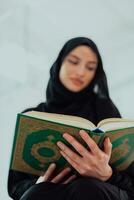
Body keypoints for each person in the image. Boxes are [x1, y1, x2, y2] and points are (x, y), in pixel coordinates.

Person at [8, 37, 134, 200]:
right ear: (60, 63)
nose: (81, 72)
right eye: (74, 62)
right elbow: (15, 186)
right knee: (35, 194)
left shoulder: (104, 109)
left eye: (90, 68)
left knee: (87, 188)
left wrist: (108, 174)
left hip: (97, 190)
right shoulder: (33, 115)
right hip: (49, 193)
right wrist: (40, 183)